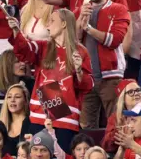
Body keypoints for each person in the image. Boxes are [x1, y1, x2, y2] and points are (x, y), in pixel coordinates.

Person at [8, 8, 93, 152]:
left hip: (66, 119)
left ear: (64, 24)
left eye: (52, 21)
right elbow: (24, 50)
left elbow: (87, 86)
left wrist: (78, 70)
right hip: (39, 115)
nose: (48, 25)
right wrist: (17, 31)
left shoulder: (81, 51)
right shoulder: (43, 46)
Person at [73, 0, 130, 129]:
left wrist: (89, 28)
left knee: (116, 124)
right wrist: (80, 21)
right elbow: (75, 40)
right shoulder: (82, 10)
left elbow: (114, 40)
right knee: (86, 126)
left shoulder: (119, 9)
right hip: (87, 77)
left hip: (111, 77)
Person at [0, 51, 34, 119]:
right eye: (18, 61)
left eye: (23, 61)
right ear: (7, 65)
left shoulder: (31, 84)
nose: (23, 64)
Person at [102, 79, 141, 153]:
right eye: (130, 92)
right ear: (123, 98)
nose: (136, 93)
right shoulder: (115, 117)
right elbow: (106, 146)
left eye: (138, 90)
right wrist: (119, 132)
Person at [0, 84, 31, 155]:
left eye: (17, 97)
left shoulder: (31, 123)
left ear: (25, 101)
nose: (12, 100)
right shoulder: (1, 125)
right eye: (9, 97)